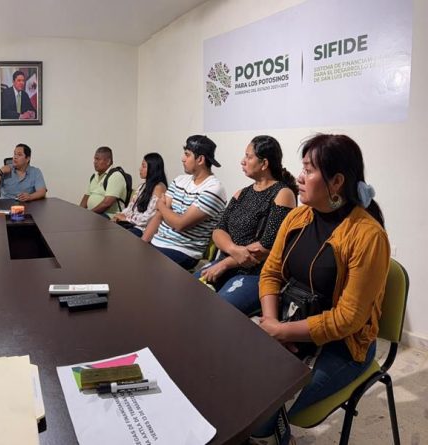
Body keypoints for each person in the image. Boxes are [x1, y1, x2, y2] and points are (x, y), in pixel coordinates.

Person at [251, 134, 389, 444]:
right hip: (289, 321)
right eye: (302, 168)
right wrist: (272, 324)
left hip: (342, 345)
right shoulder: (297, 217)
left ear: (336, 182)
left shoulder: (367, 236)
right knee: (235, 371)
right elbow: (270, 273)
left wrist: (280, 332)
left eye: (309, 170)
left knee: (259, 406)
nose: (299, 177)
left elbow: (348, 319)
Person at [195, 136, 297, 315]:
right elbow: (218, 230)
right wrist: (233, 250)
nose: (243, 161)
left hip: (255, 272)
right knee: (187, 292)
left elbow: (267, 246)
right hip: (225, 263)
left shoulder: (283, 194)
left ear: (264, 163)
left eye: (249, 157)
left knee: (216, 311)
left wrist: (226, 263)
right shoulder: (241, 193)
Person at [143, 135, 227, 269]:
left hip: (183, 250)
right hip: (157, 242)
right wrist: (142, 243)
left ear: (200, 159)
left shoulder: (214, 189)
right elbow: (159, 215)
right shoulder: (179, 180)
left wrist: (161, 206)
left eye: (187, 155)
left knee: (142, 267)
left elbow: (180, 224)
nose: (183, 158)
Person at [112, 153, 168, 237]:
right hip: (132, 224)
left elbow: (149, 217)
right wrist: (118, 216)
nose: (140, 169)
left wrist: (127, 218)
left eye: (144, 166)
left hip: (143, 229)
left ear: (153, 168)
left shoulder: (159, 188)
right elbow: (130, 208)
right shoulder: (142, 186)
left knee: (118, 236)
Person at [80, 146, 128, 218]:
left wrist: (89, 214)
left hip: (109, 216)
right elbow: (86, 197)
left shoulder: (115, 176)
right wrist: (79, 212)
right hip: (94, 214)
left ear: (108, 162)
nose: (95, 162)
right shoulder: (94, 176)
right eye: (94, 159)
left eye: (98, 159)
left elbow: (107, 204)